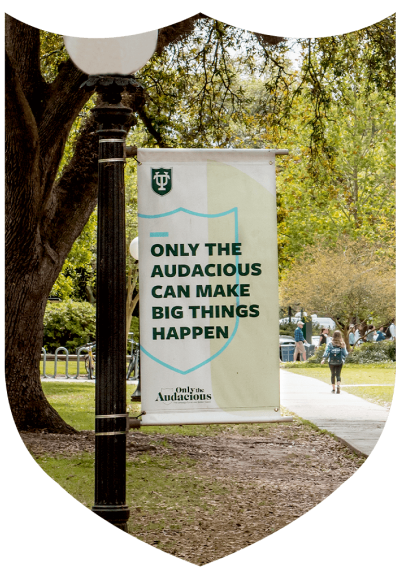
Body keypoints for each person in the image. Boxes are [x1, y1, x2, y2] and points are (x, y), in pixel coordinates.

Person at [321, 329, 348, 394]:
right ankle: (338, 386)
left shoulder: (330, 344)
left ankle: (333, 389)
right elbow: (345, 354)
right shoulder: (342, 344)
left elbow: (326, 352)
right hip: (340, 361)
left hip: (331, 361)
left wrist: (324, 359)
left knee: (333, 374)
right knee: (338, 374)